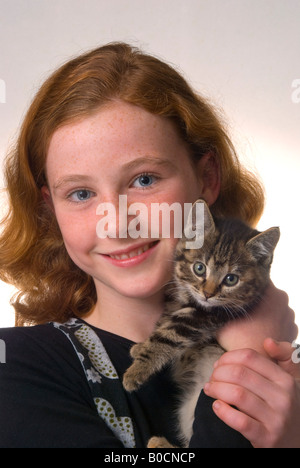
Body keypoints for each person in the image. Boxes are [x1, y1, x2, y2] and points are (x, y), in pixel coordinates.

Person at [0, 42, 299, 448]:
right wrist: (250, 359)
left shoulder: (291, 372)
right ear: (51, 209)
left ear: (207, 178)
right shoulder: (18, 368)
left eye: (144, 180)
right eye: (81, 194)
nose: (118, 224)